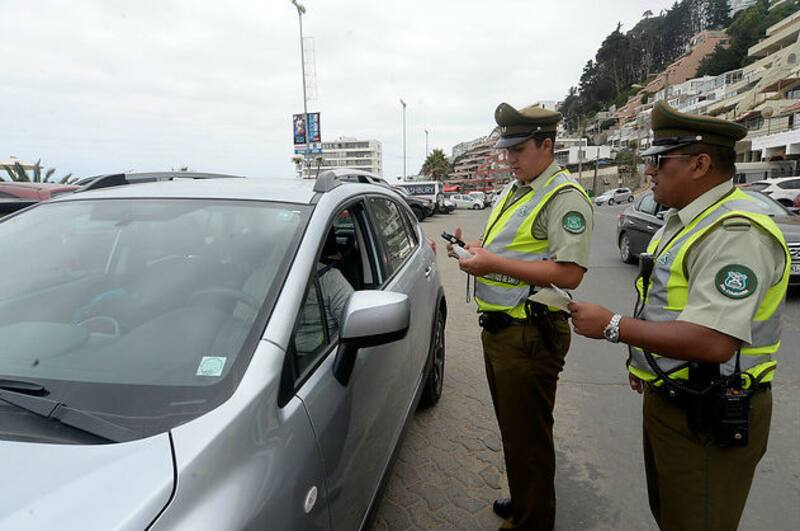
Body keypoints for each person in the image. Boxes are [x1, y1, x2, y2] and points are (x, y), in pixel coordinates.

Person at [569, 101, 791, 531]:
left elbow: (714, 341)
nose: (649, 170)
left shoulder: (736, 233)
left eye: (659, 160)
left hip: (709, 410)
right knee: (672, 517)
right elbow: (665, 306)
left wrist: (613, 326)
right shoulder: (686, 221)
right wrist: (647, 363)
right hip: (675, 395)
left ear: (700, 164)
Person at [450, 102, 593, 531]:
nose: (508, 158)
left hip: (529, 331)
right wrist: (476, 251)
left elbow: (570, 272)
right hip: (503, 329)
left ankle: (532, 521)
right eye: (506, 149)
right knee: (515, 430)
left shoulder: (563, 197)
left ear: (546, 145)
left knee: (528, 436)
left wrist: (492, 263)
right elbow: (512, 250)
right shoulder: (519, 189)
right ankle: (526, 499)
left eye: (517, 149)